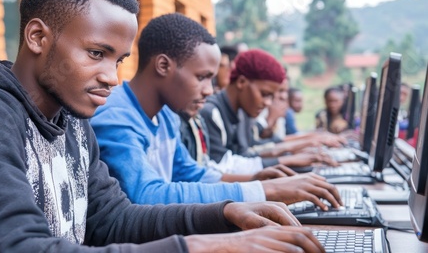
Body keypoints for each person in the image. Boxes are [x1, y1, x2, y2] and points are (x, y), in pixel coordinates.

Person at [0, 0, 327, 252]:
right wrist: (206, 246)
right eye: (96, 53)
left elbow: (113, 219)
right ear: (37, 37)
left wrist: (226, 214)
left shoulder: (73, 119)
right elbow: (18, 246)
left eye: (118, 60)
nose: (111, 77)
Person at [91, 16, 342, 211]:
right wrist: (264, 190)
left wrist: (253, 179)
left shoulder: (165, 115)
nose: (210, 90)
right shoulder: (115, 116)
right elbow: (145, 195)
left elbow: (190, 173)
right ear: (163, 65)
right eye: (202, 78)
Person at [200, 49, 343, 165]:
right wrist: (286, 159)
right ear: (242, 82)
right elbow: (223, 170)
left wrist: (304, 144)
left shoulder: (242, 112)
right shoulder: (211, 113)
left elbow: (251, 151)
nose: (268, 103)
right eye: (265, 94)